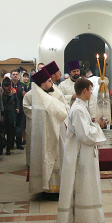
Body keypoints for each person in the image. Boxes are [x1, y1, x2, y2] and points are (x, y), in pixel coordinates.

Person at [57, 78, 108, 223]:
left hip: (84, 152)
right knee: (83, 185)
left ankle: (86, 219)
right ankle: (81, 221)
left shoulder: (80, 106)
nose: (92, 93)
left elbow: (86, 127)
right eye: (90, 90)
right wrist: (98, 130)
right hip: (81, 153)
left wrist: (95, 125)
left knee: (86, 185)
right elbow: (83, 135)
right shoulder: (78, 109)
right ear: (84, 90)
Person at [25, 68, 69, 199]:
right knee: (45, 158)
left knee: (59, 159)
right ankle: (46, 189)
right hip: (45, 136)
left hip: (58, 133)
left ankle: (59, 188)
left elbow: (64, 108)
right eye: (49, 81)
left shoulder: (55, 91)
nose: (52, 83)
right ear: (42, 84)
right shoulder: (34, 96)